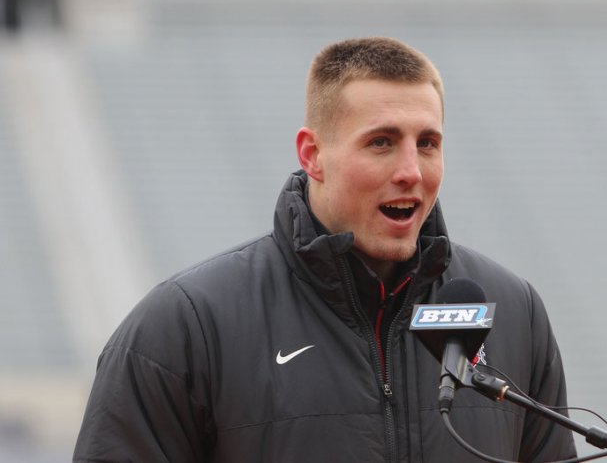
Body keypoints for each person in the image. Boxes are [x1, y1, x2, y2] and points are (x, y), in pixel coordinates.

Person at [73, 37, 576, 462]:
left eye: (427, 143)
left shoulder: (514, 313)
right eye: (381, 142)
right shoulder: (185, 325)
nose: (411, 170)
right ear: (313, 155)